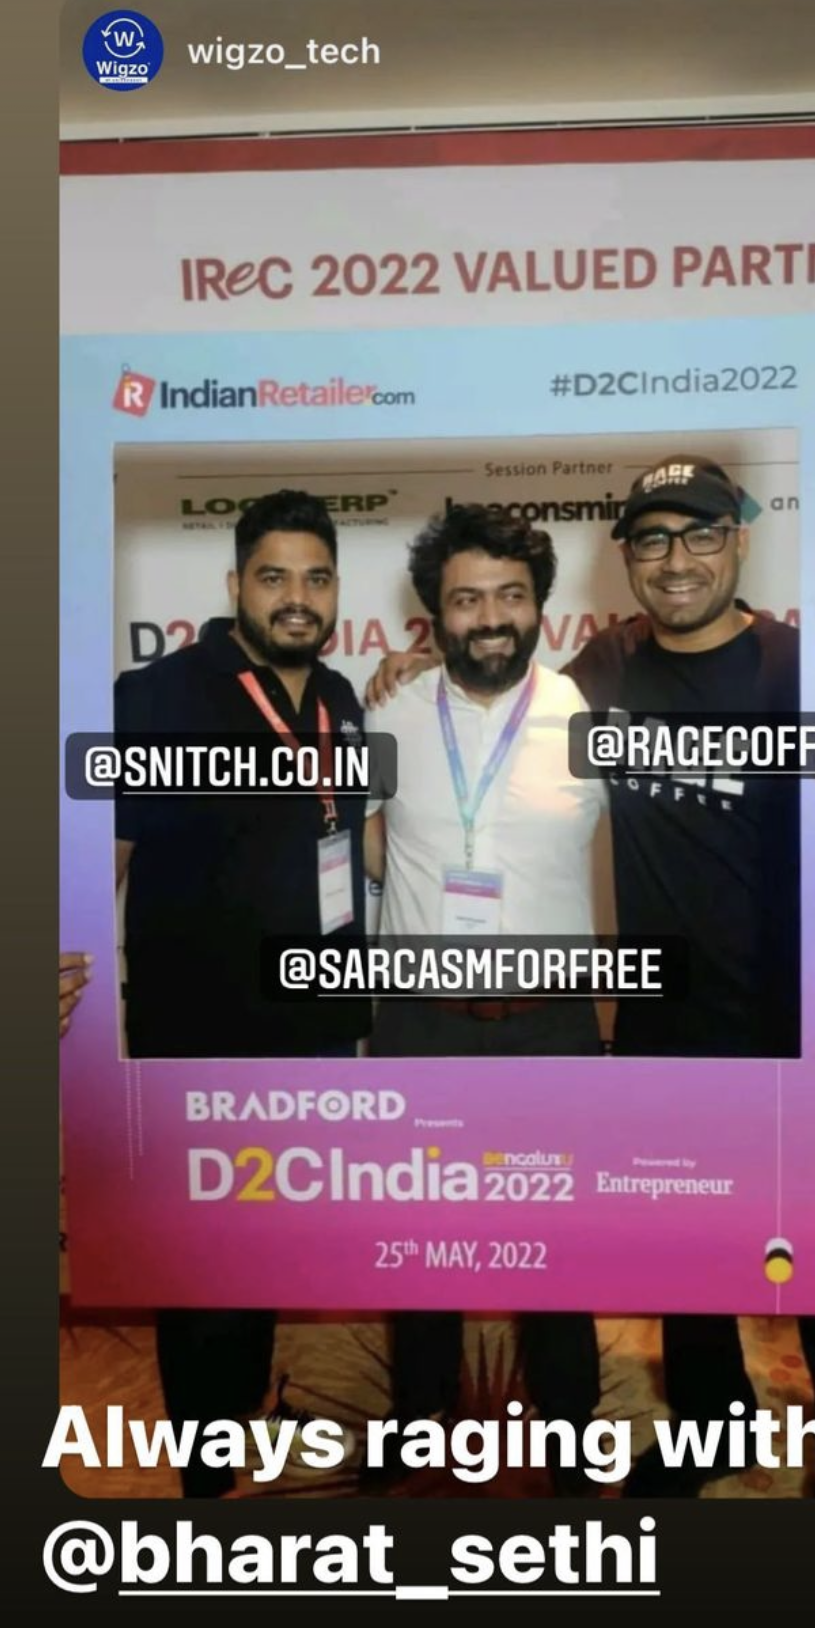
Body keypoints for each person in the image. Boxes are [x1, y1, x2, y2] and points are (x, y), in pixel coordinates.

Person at [367, 457, 815, 1499]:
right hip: (663, 1026)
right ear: (625, 559)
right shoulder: (602, 673)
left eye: (700, 535)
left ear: (739, 542)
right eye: (653, 540)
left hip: (797, 1022)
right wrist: (403, 667)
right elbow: (494, 675)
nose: (677, 560)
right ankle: (716, 1429)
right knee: (689, 1258)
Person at [111, 488, 378, 1497]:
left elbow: (342, 841)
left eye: (316, 577)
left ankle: (247, 1412)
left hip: (313, 1023)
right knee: (201, 1261)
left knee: (266, 1243)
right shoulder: (158, 697)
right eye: (274, 576)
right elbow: (107, 859)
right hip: (201, 1033)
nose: (296, 597)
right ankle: (206, 1473)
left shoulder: (343, 698)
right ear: (234, 586)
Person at [365, 504, 608, 1487]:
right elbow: (362, 846)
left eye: (512, 595)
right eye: (468, 599)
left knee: (560, 1247)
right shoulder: (384, 715)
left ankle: (573, 1429)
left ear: (541, 607)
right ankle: (416, 1415)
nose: (492, 616)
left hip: (550, 1028)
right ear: (434, 617)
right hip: (419, 1024)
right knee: (419, 1242)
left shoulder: (589, 721)